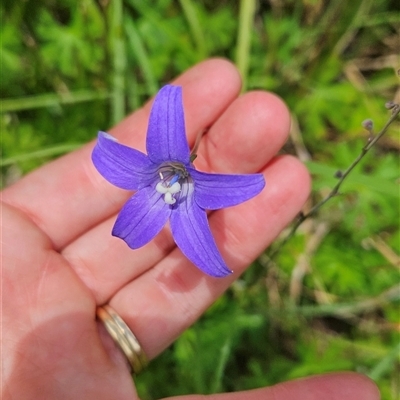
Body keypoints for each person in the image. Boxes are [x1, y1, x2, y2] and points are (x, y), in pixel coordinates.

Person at [1, 59, 379, 400]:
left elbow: (242, 185)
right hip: (171, 180)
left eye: (174, 177)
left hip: (186, 180)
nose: (168, 184)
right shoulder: (156, 182)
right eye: (171, 177)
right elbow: (108, 157)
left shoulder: (187, 180)